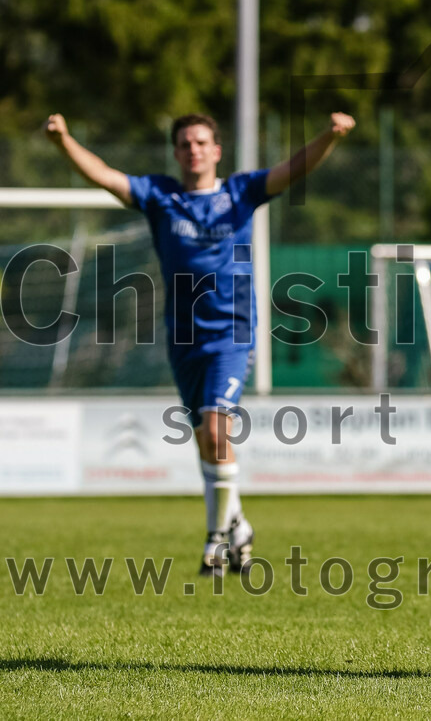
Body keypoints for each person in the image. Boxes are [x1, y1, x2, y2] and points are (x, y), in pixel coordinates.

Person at [45, 110, 356, 576]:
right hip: (183, 337)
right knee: (207, 443)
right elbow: (106, 176)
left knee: (217, 430)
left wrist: (331, 136)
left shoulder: (241, 192)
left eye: (201, 142)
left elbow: (294, 169)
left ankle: (214, 540)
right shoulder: (159, 196)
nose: (193, 150)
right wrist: (64, 140)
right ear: (176, 152)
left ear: (217, 150)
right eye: (185, 143)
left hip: (232, 333)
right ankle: (240, 528)